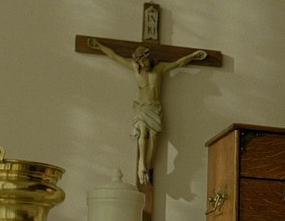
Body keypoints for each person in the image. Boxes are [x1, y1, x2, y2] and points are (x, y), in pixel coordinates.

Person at [88, 38, 207, 184]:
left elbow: (178, 63)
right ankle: (141, 164)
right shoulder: (135, 69)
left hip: (155, 108)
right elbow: (114, 56)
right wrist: (99, 46)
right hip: (143, 107)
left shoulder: (159, 68)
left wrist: (193, 56)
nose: (143, 65)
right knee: (143, 133)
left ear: (148, 57)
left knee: (154, 137)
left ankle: (148, 166)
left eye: (144, 61)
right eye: (140, 62)